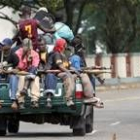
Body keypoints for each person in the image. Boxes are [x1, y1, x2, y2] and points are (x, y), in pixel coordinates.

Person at [45, 38, 75, 108]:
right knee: (67, 76)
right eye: (65, 45)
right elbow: (60, 66)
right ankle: (68, 99)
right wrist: (68, 72)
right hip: (54, 73)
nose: (66, 46)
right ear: (62, 45)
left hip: (60, 72)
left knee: (71, 76)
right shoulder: (56, 53)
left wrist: (76, 70)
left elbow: (67, 66)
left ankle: (69, 99)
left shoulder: (63, 55)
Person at [15, 38, 40, 109]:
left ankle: (34, 100)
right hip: (21, 72)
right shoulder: (18, 53)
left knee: (36, 78)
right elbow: (19, 67)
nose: (28, 49)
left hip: (31, 73)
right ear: (23, 46)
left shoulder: (35, 54)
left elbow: (35, 66)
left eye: (29, 47)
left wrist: (30, 61)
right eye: (26, 46)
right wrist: (24, 58)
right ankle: (21, 101)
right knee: (22, 77)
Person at [38, 35, 57, 108]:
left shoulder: (51, 53)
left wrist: (45, 68)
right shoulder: (38, 53)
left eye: (42, 45)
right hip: (41, 73)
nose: (40, 46)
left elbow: (49, 64)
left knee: (50, 75)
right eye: (39, 45)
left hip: (51, 73)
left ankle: (49, 99)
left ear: (45, 44)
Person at [0, 38, 19, 109]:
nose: (1, 46)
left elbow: (17, 69)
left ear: (10, 46)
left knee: (14, 77)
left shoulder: (14, 55)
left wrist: (8, 71)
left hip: (8, 75)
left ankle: (14, 101)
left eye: (3, 45)